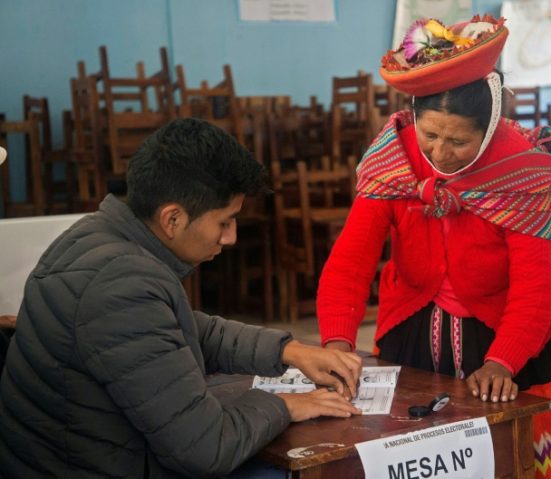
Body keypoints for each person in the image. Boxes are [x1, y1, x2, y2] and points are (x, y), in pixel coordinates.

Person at [317, 15, 551, 478]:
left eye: (458, 141)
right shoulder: (392, 159)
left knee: (517, 458)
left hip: (513, 332)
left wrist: (503, 360)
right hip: (413, 325)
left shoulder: (521, 171)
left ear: (489, 126)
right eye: (429, 135)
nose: (439, 153)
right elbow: (349, 264)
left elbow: (537, 287)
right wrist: (336, 343)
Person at [0, 118, 363, 478]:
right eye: (224, 222)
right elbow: (205, 449)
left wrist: (289, 351)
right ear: (172, 218)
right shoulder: (120, 284)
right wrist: (286, 405)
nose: (231, 237)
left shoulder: (97, 234)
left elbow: (176, 329)